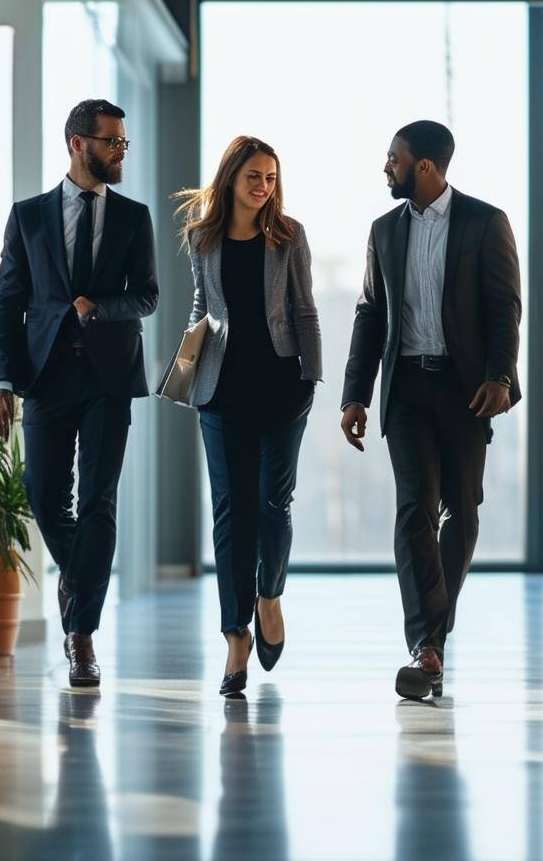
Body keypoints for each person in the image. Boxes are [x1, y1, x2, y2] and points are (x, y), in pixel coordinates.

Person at [340, 120, 521, 700]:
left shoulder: (484, 222)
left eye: (393, 158)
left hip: (467, 389)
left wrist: (499, 376)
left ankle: (431, 639)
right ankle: (427, 644)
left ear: (424, 166)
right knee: (415, 509)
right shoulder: (383, 231)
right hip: (407, 392)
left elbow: (504, 309)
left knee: (461, 512)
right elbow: (370, 314)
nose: (385, 167)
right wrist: (354, 394)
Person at [0, 98, 159, 688]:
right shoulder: (29, 217)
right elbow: (9, 302)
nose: (120, 152)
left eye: (124, 142)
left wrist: (100, 307)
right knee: (42, 495)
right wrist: (2, 382)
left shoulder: (134, 218)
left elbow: (148, 296)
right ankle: (80, 579)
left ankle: (81, 635)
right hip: (46, 378)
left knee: (99, 503)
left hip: (110, 378)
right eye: (112, 141)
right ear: (77, 144)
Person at [176, 136, 322, 696]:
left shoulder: (289, 236)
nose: (263, 187)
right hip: (219, 392)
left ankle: (269, 595)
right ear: (232, 177)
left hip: (284, 388)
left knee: (272, 504)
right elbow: (200, 306)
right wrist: (184, 369)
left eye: (270, 177)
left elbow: (305, 308)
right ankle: (236, 633)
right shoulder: (201, 238)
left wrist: (312, 377)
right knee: (230, 513)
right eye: (254, 176)